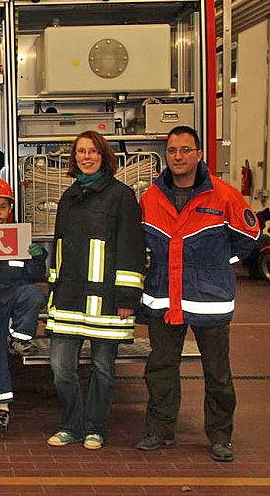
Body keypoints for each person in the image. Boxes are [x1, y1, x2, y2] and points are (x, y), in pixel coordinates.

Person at [135, 126, 259, 462]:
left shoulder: (224, 195)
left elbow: (249, 238)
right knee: (160, 369)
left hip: (209, 299)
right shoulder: (151, 197)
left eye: (185, 150)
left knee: (217, 373)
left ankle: (221, 437)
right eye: (172, 150)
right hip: (164, 299)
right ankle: (160, 431)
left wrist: (218, 265)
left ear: (199, 155)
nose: (178, 156)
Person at [46, 131, 144, 451]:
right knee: (61, 368)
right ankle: (71, 424)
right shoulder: (69, 196)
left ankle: (95, 427)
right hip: (70, 296)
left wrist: (128, 298)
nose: (86, 157)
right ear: (74, 159)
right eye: (80, 152)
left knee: (103, 369)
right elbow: (58, 247)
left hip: (106, 300)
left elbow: (131, 248)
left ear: (104, 156)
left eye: (92, 151)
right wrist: (54, 286)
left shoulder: (122, 196)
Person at [0, 178, 48, 433]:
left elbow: (34, 276)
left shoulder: (20, 237)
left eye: (3, 207)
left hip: (15, 294)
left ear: (10, 207)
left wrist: (38, 257)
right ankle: (2, 408)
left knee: (35, 294)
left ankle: (20, 338)